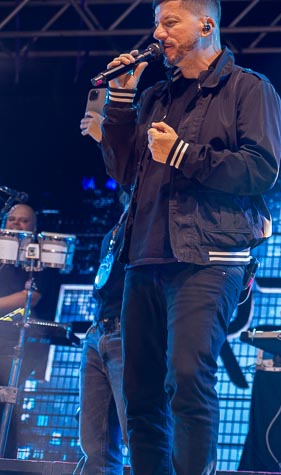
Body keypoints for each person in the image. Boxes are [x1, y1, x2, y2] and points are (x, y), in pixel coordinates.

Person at [100, 0, 281, 475]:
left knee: (186, 378)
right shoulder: (155, 96)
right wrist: (120, 103)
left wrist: (182, 153)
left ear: (206, 25)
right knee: (140, 393)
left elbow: (260, 169)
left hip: (209, 260)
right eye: (156, 24)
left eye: (169, 23)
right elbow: (123, 171)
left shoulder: (248, 89)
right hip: (143, 260)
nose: (158, 34)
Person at [78, 109, 130, 475]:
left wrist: (105, 136)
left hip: (129, 334)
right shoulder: (115, 229)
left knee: (139, 436)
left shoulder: (153, 223)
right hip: (99, 332)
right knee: (94, 446)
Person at [0, 203, 58, 458]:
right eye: (11, 219)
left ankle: (7, 460)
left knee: (7, 401)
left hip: (19, 342)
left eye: (23, 220)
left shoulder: (37, 256)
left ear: (34, 227)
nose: (16, 224)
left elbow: (31, 296)